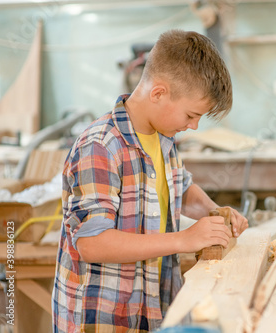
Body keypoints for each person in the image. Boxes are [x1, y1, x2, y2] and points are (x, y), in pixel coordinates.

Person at [52, 29, 248, 332]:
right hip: (102, 318)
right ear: (158, 93)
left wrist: (214, 212)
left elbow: (181, 189)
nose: (194, 126)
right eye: (191, 114)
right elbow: (92, 243)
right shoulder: (101, 145)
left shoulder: (163, 138)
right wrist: (185, 239)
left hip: (151, 306)